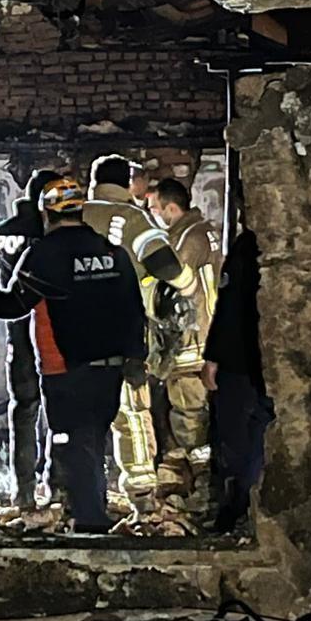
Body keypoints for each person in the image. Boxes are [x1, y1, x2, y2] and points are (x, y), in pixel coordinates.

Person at [0, 178, 146, 533]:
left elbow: (13, 305)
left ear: (46, 213)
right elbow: (134, 307)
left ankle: (89, 520)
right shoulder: (111, 251)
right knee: (93, 439)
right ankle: (89, 509)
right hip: (111, 367)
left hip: (65, 368)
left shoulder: (45, 254)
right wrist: (135, 357)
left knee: (74, 442)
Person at [81, 153, 194, 506]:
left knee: (80, 414)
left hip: (72, 332)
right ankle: (141, 493)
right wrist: (188, 285)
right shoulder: (131, 217)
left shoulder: (74, 215)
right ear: (126, 183)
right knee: (130, 411)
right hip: (122, 330)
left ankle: (81, 496)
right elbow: (164, 263)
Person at [0, 168, 61, 508]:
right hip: (53, 336)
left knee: (24, 410)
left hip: (18, 336)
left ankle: (24, 490)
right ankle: (56, 486)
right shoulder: (53, 236)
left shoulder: (4, 232)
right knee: (60, 413)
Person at [149, 177, 222, 487]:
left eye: (155, 208)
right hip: (211, 333)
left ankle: (202, 483)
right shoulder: (205, 231)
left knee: (189, 409)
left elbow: (175, 281)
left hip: (194, 339)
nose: (152, 214)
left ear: (171, 208)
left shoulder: (187, 239)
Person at [203, 229, 274, 533]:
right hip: (265, 360)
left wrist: (213, 356)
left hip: (239, 361)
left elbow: (229, 306)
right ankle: (247, 505)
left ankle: (237, 507)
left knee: (236, 437)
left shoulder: (245, 249)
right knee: (259, 434)